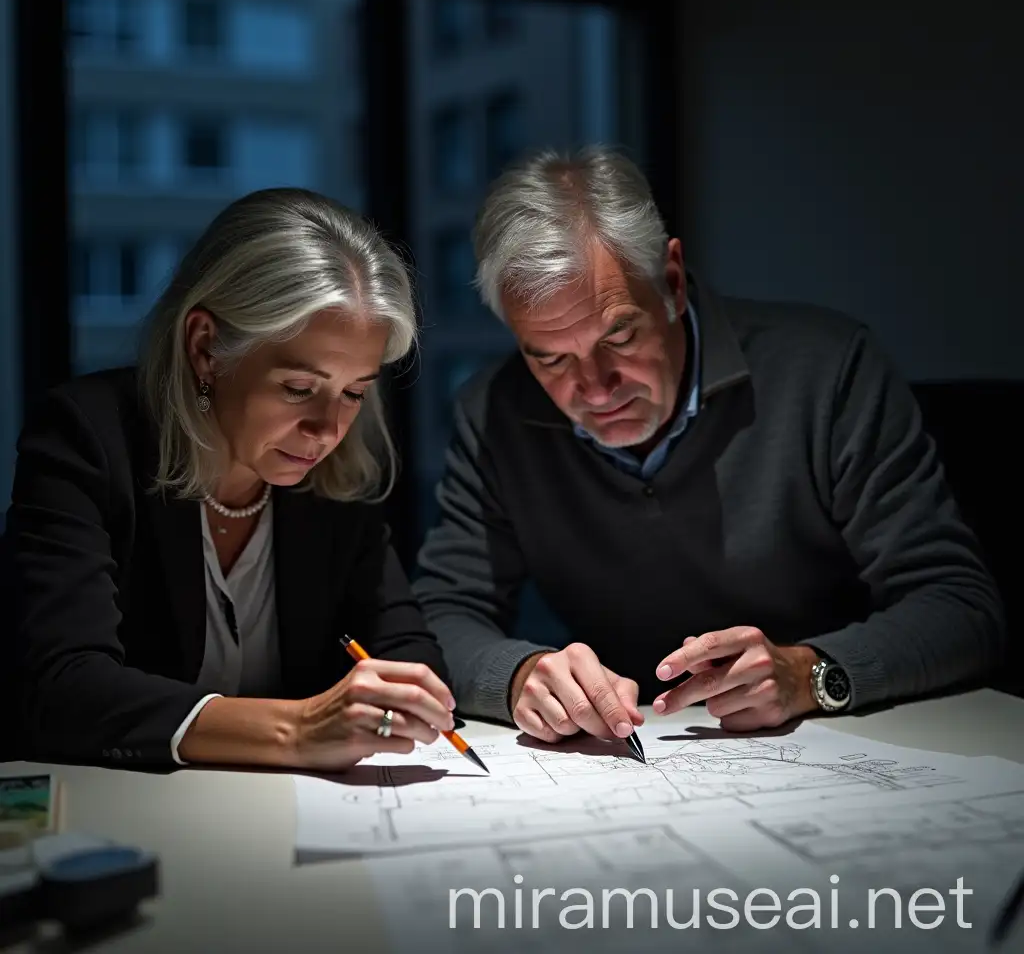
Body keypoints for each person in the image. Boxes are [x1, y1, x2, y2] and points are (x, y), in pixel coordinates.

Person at [413, 145, 1006, 746]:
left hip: (839, 744)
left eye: (619, 334)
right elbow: (437, 618)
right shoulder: (495, 413)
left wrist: (808, 672)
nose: (595, 388)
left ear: (671, 281)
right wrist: (518, 676)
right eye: (551, 358)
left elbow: (961, 607)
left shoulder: (826, 372)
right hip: (630, 754)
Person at [5, 187, 456, 770]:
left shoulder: (335, 476)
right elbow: (64, 687)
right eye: (298, 389)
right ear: (205, 348)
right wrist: (296, 730)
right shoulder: (87, 437)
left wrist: (408, 702)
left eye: (353, 393)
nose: (326, 430)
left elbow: (408, 651)